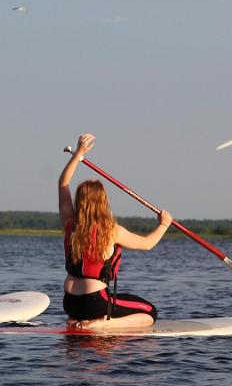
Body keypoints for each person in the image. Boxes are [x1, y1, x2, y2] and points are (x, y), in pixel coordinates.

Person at [58, 133, 172, 329]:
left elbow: (63, 184)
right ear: (103, 202)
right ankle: (102, 324)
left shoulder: (69, 223)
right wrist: (164, 224)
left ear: (80, 201)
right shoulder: (111, 230)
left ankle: (79, 320)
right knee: (150, 312)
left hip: (70, 303)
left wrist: (78, 155)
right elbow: (147, 244)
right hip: (94, 302)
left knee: (105, 304)